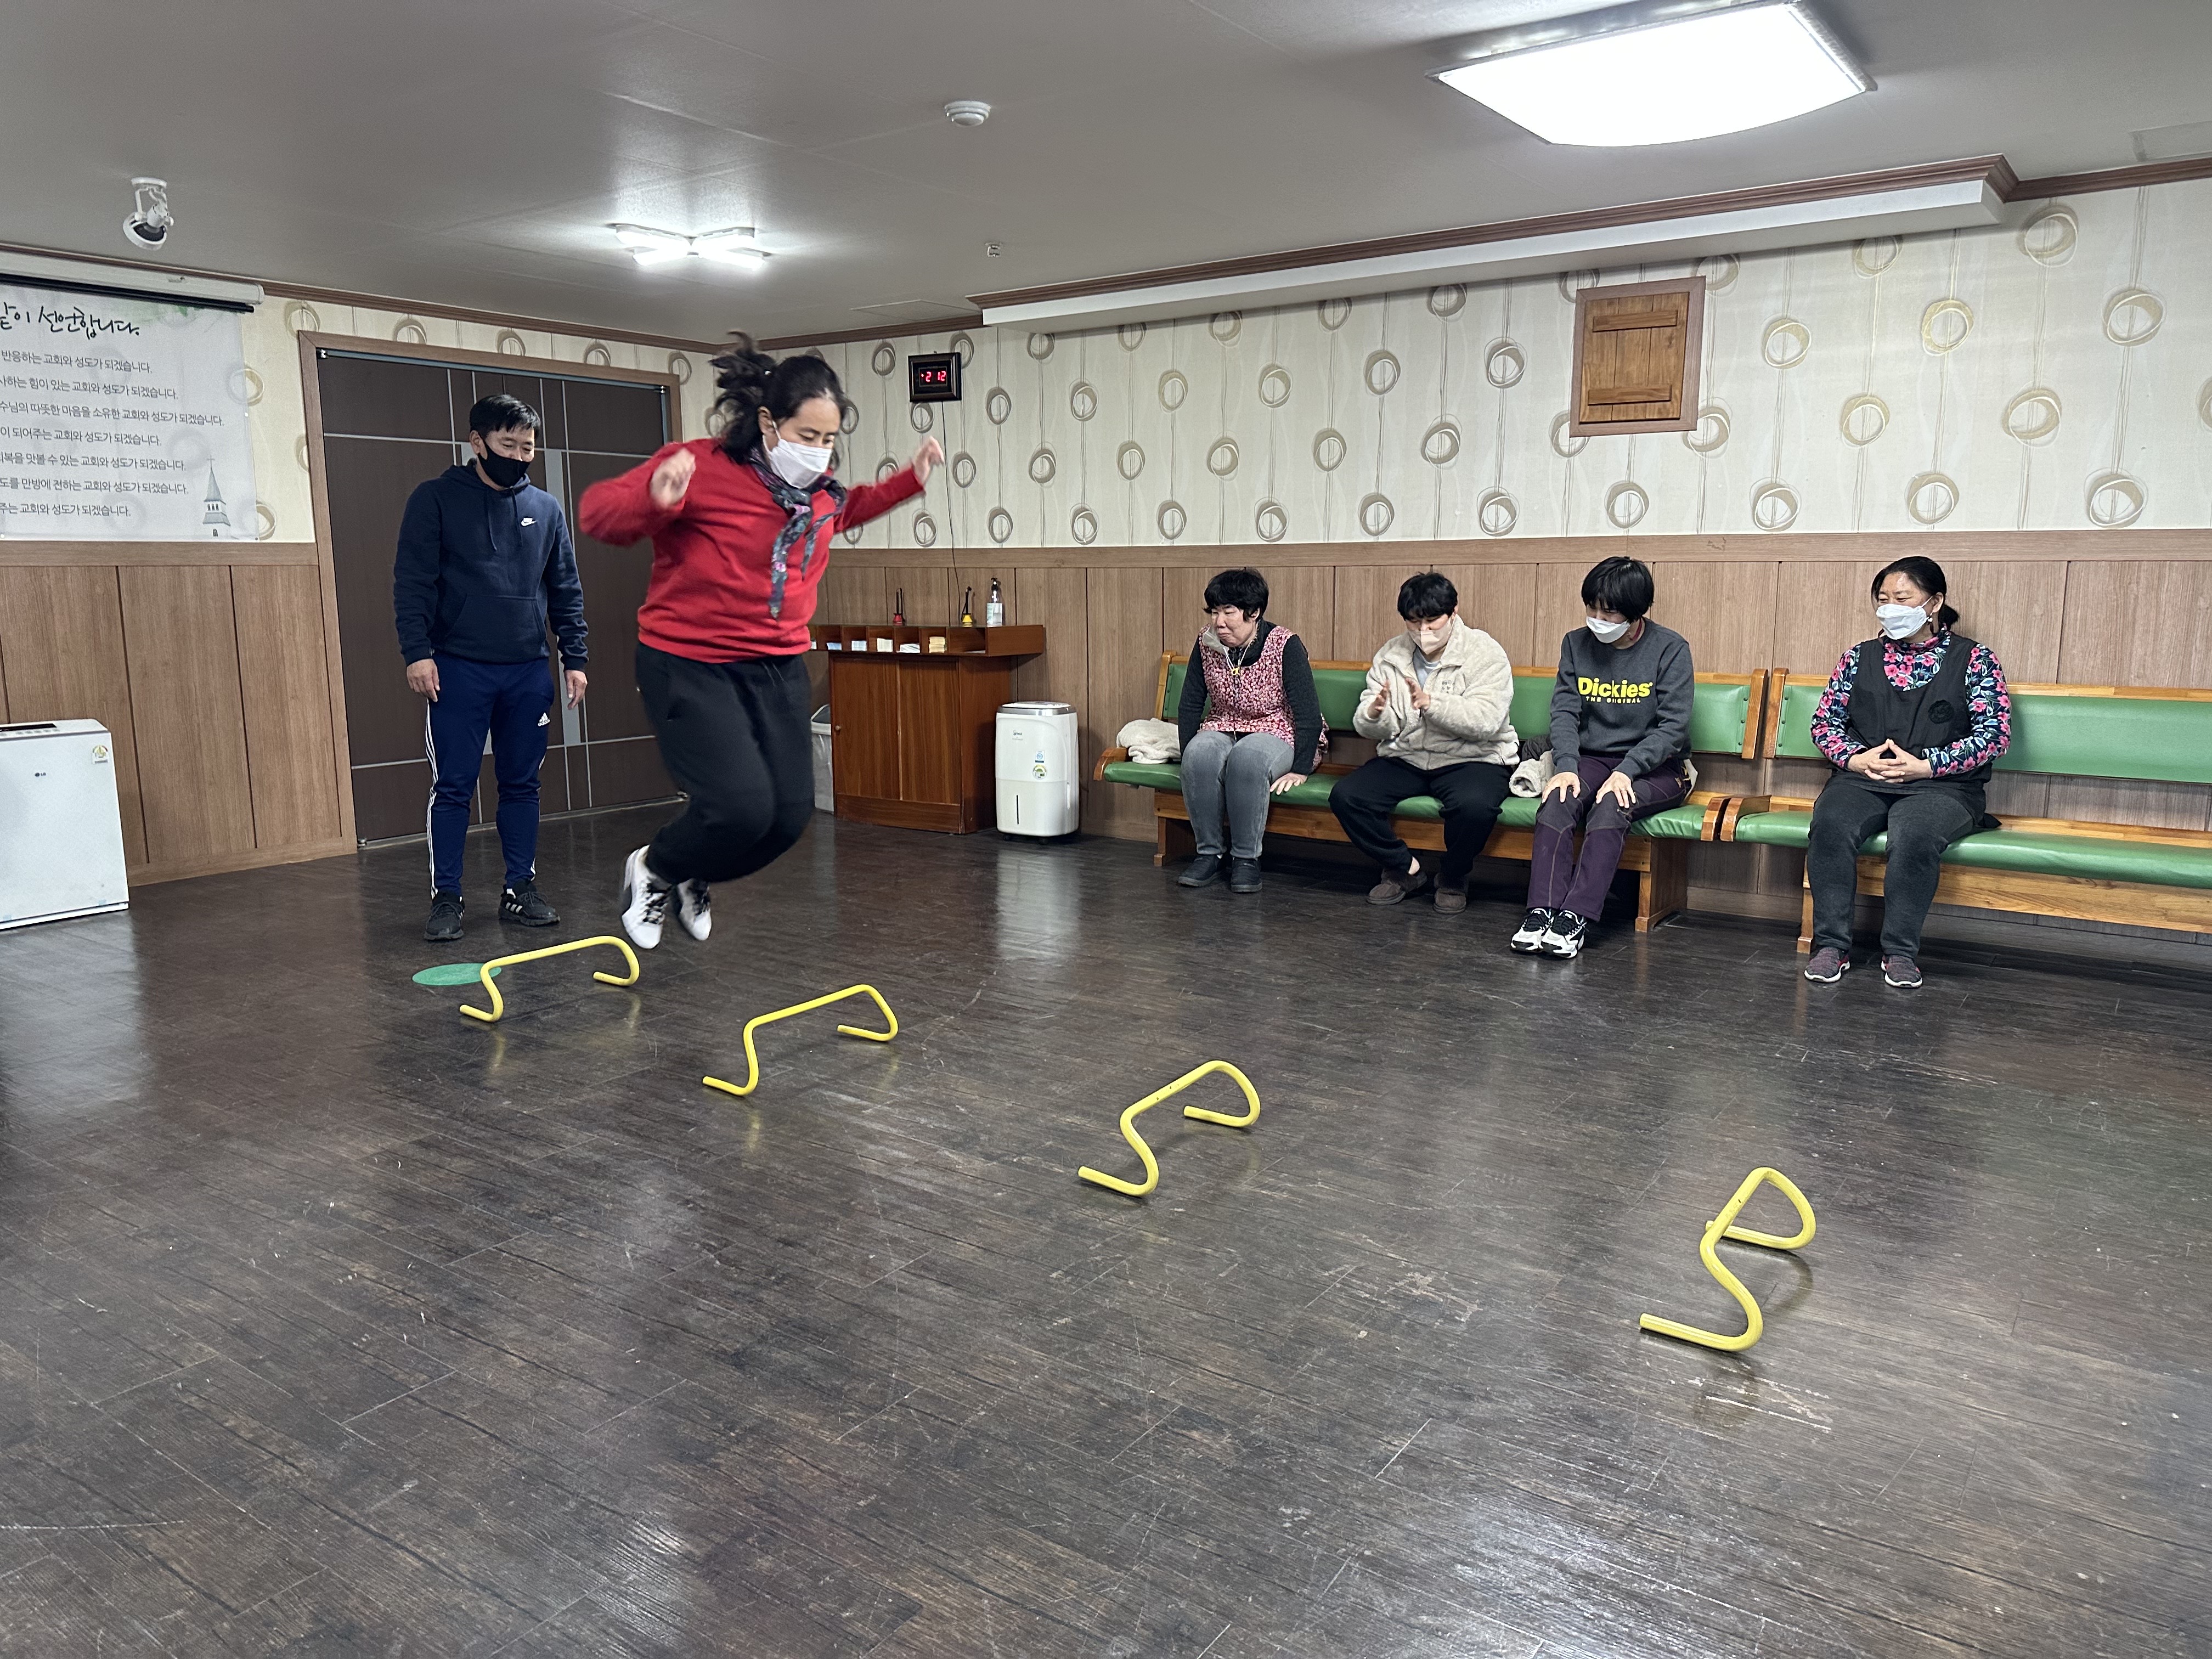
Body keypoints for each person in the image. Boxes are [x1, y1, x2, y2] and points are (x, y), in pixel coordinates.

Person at [579, 336, 939, 949]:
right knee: (740, 807)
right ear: (770, 423)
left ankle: (693, 868)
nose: (818, 451)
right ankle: (656, 868)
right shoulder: (699, 466)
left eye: (829, 439)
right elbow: (597, 513)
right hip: (691, 663)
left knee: (787, 818)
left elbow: (843, 512)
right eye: (807, 435)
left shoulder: (817, 494)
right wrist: (654, 499)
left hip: (776, 665)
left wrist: (909, 482)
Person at [394, 392, 588, 945]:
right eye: (509, 445)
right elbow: (412, 581)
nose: (520, 457)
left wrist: (575, 657)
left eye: (528, 447)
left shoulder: (546, 509)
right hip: (456, 669)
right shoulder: (435, 499)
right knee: (454, 785)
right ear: (477, 443)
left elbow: (565, 587)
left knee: (522, 784)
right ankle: (447, 897)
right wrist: (417, 652)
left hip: (526, 670)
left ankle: (520, 888)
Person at [1802, 556, 2011, 989]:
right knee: (1830, 824)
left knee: (1914, 834)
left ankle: (1899, 952)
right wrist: (1857, 760)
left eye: (1902, 598)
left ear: (1934, 603)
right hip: (1864, 778)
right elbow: (1824, 724)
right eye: (1883, 600)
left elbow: (1994, 735)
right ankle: (1831, 945)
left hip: (1943, 786)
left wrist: (1927, 766)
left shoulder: (1976, 659)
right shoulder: (1858, 657)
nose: (1890, 608)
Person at [1512, 556, 1691, 960]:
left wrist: (1627, 771)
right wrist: (1566, 767)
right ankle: (1541, 912)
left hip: (1658, 767)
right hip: (1592, 758)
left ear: (1635, 611)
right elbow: (1564, 712)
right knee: (1558, 799)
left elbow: (1673, 728)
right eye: (1591, 608)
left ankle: (1574, 918)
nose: (1597, 619)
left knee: (1612, 804)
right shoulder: (1575, 644)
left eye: (1608, 612)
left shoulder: (1670, 649)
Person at [1330, 572, 1516, 913]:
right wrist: (1375, 714)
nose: (1423, 631)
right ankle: (1405, 868)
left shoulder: (1484, 652)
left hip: (1473, 757)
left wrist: (1432, 704)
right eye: (1414, 622)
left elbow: (1487, 720)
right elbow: (1374, 724)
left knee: (1475, 807)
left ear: (1454, 612)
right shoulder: (1392, 654)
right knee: (1348, 796)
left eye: (1432, 621)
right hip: (1408, 755)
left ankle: (1453, 876)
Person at [1173, 568, 1321, 895]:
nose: (1219, 622)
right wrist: (1188, 754)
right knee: (1199, 754)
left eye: (1229, 612)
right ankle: (1209, 854)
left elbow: (1308, 710)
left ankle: (1245, 859)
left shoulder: (1285, 644)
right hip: (1223, 723)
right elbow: (1191, 702)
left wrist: (1301, 768)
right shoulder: (1207, 642)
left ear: (1254, 613)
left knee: (1247, 759)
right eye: (1215, 612)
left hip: (1276, 728)